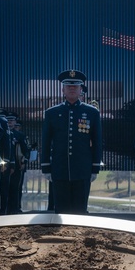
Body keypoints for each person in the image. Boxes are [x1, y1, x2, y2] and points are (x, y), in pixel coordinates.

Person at [40, 69, 102, 214]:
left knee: (80, 211)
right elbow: (46, 141)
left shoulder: (92, 112)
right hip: (59, 169)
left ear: (81, 89)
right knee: (61, 210)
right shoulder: (51, 113)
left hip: (82, 170)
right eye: (68, 86)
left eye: (75, 86)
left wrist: (95, 167)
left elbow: (97, 142)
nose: (72, 89)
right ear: (63, 89)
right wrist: (46, 167)